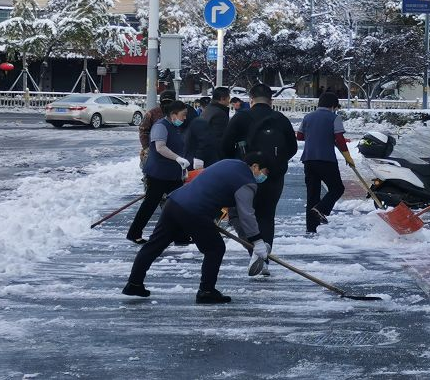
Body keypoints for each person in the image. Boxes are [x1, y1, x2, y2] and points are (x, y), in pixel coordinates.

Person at [122, 153, 273, 303]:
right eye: (265, 172)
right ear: (255, 166)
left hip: (175, 203)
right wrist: (257, 240)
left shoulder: (229, 162)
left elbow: (210, 186)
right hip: (194, 211)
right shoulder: (246, 181)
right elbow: (246, 214)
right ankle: (206, 291)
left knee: (154, 244)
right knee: (215, 248)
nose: (263, 177)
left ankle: (134, 283)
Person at [221, 83, 298, 276]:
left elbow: (225, 146)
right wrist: (274, 164)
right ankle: (264, 257)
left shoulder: (241, 118)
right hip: (273, 176)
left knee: (238, 214)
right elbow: (293, 148)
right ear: (271, 100)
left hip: (245, 175)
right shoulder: (281, 119)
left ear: (251, 99)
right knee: (266, 215)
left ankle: (255, 251)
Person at [127, 100, 190, 245]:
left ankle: (180, 236)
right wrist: (178, 158)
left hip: (172, 174)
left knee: (178, 204)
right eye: (183, 115)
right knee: (150, 204)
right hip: (158, 174)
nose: (185, 118)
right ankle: (134, 232)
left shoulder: (173, 126)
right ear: (173, 114)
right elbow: (160, 147)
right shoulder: (160, 126)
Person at [296, 92, 355, 233]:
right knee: (337, 188)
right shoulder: (334, 118)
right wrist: (348, 157)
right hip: (326, 160)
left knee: (312, 194)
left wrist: (316, 136)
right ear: (333, 106)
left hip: (308, 160)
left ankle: (311, 228)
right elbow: (339, 139)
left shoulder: (308, 117)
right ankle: (321, 209)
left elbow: (300, 136)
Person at [184, 87, 231, 169]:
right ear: (222, 98)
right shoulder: (219, 114)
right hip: (212, 157)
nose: (229, 100)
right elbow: (219, 138)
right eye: (228, 98)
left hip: (202, 155)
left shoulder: (208, 109)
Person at [138, 90, 175, 170]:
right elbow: (143, 130)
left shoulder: (178, 113)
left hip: (172, 150)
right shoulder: (152, 113)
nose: (167, 105)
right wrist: (146, 147)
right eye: (164, 102)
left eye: (170, 102)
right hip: (153, 149)